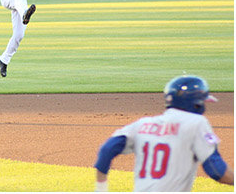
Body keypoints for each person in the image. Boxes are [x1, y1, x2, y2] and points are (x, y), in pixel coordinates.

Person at [94, 75, 234, 192]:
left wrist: (101, 188)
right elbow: (216, 170)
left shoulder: (142, 124)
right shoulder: (196, 123)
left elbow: (107, 149)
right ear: (196, 104)